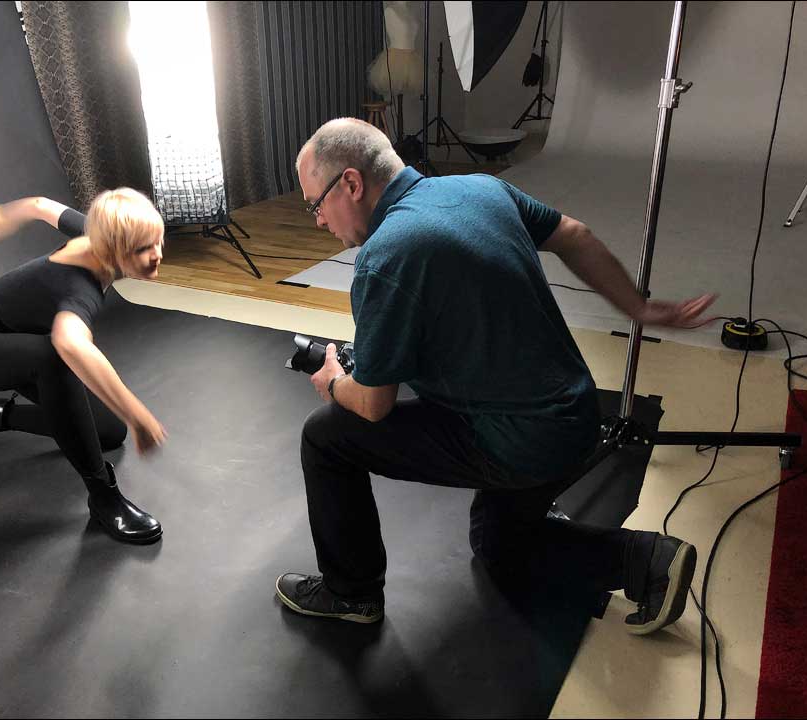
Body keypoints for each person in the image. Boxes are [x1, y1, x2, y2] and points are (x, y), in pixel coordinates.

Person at [275, 118, 717, 632]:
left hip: (520, 443)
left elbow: (373, 404)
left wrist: (333, 381)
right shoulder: (481, 189)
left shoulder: (385, 257)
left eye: (316, 204)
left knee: (326, 435)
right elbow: (575, 235)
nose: (318, 221)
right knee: (497, 546)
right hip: (579, 417)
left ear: (351, 183)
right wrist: (638, 308)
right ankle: (646, 559)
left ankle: (351, 594)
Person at [0, 189, 168, 544]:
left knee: (108, 432)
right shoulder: (80, 285)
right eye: (142, 249)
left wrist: (4, 215)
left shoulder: (99, 234)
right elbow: (70, 342)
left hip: (18, 340)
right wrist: (138, 415)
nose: (157, 255)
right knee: (56, 357)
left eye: (157, 242)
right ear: (111, 250)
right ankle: (103, 497)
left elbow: (40, 205)